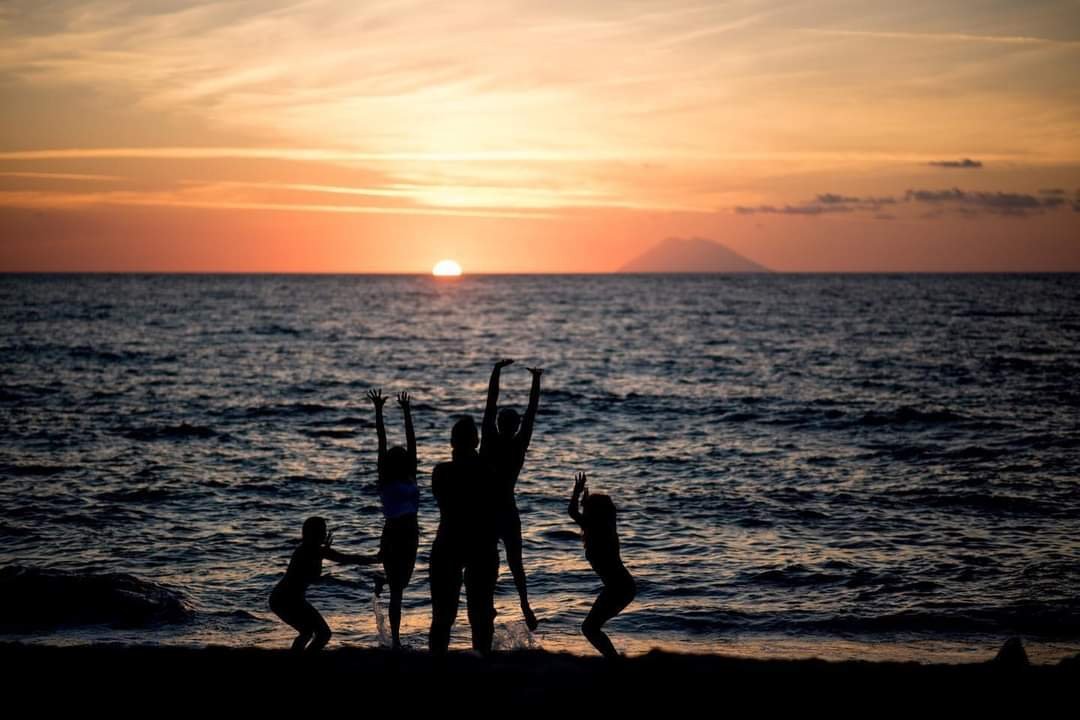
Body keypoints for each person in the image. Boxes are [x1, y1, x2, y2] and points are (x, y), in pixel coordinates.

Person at [428, 416, 499, 656]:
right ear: (476, 441)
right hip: (480, 544)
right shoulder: (486, 471)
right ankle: (483, 659)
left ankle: (437, 663)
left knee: (442, 615)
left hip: (448, 540)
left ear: (451, 442)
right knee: (481, 614)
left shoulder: (441, 472)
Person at [481, 359, 542, 630]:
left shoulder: (489, 440)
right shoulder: (519, 444)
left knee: (486, 561)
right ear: (516, 426)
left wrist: (497, 371)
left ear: (498, 423)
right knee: (516, 562)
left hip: (487, 511)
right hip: (507, 509)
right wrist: (536, 380)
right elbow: (531, 412)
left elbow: (490, 403)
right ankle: (525, 605)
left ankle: (487, 606)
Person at [269, 516, 379, 654]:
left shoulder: (311, 549)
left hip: (289, 599)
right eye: (322, 531)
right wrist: (376, 560)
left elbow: (314, 575)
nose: (325, 534)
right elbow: (347, 559)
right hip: (285, 599)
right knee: (318, 633)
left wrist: (324, 552)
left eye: (325, 531)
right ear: (314, 533)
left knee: (310, 633)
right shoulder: (312, 550)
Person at [367, 389, 420, 650]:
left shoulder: (410, 474)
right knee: (399, 590)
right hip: (395, 534)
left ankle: (383, 580)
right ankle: (396, 641)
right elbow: (381, 440)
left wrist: (407, 411)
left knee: (402, 583)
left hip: (411, 535)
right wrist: (378, 410)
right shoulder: (386, 478)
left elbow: (412, 443)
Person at [568, 472, 636, 659]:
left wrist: (577, 494)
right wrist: (582, 496)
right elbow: (579, 513)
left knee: (589, 627)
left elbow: (574, 513)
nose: (585, 511)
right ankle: (613, 660)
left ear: (595, 513)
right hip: (619, 587)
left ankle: (614, 661)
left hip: (620, 588)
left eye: (588, 509)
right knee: (590, 627)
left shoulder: (600, 532)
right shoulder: (601, 528)